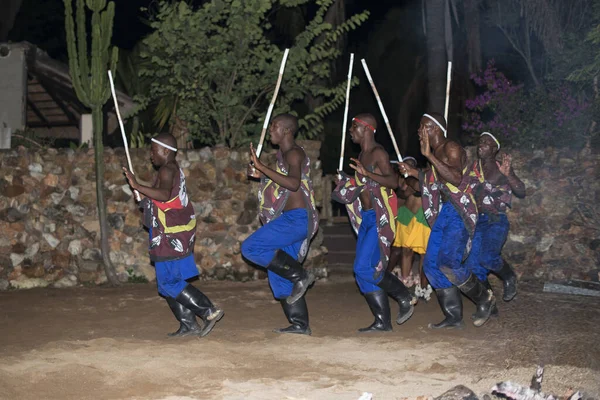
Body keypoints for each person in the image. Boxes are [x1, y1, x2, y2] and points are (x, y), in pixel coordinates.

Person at [399, 113, 495, 329]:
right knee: (432, 266)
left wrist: (428, 157)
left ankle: (484, 298)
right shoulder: (434, 154)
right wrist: (411, 172)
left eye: (423, 127)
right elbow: (427, 184)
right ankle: (454, 316)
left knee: (448, 263)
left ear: (435, 128)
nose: (419, 131)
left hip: (459, 210)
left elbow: (457, 178)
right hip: (446, 212)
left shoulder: (450, 147)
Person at [123, 133, 224, 338]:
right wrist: (141, 193)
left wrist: (138, 185)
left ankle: (208, 310)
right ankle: (188, 324)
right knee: (167, 282)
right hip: (170, 230)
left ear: (166, 151)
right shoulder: (169, 170)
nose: (151, 155)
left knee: (169, 282)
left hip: (170, 233)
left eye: (154, 150)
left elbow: (165, 195)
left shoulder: (167, 169)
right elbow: (159, 197)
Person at [333, 113, 414, 333]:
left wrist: (366, 173)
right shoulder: (363, 153)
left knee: (362, 267)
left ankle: (404, 294)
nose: (351, 131)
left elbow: (393, 181)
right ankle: (382, 322)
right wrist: (346, 181)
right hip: (367, 218)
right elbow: (365, 184)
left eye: (354, 127)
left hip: (380, 218)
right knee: (363, 272)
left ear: (366, 128)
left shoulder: (377, 152)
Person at [241, 114, 319, 336]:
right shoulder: (283, 156)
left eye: (274, 127)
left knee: (250, 247)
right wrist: (261, 176)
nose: (270, 131)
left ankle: (301, 275)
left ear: (286, 131)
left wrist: (263, 168)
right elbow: (282, 184)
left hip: (297, 219)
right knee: (279, 278)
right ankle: (300, 325)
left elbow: (294, 184)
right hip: (291, 219)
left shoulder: (294, 152)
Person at [464, 132, 525, 306]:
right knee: (474, 266)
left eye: (486, 142)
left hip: (495, 220)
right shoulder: (472, 169)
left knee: (488, 257)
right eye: (480, 141)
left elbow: (521, 191)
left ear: (494, 149)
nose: (481, 144)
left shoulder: (500, 167)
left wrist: (509, 175)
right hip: (476, 222)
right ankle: (488, 302)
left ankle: (509, 277)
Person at [388, 157, 433, 302]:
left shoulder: (423, 175)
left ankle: (423, 286)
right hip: (406, 215)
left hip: (421, 217)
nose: (409, 165)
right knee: (406, 250)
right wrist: (407, 186)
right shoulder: (401, 179)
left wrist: (413, 184)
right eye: (406, 163)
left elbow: (423, 190)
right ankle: (405, 280)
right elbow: (401, 194)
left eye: (412, 164)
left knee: (423, 253)